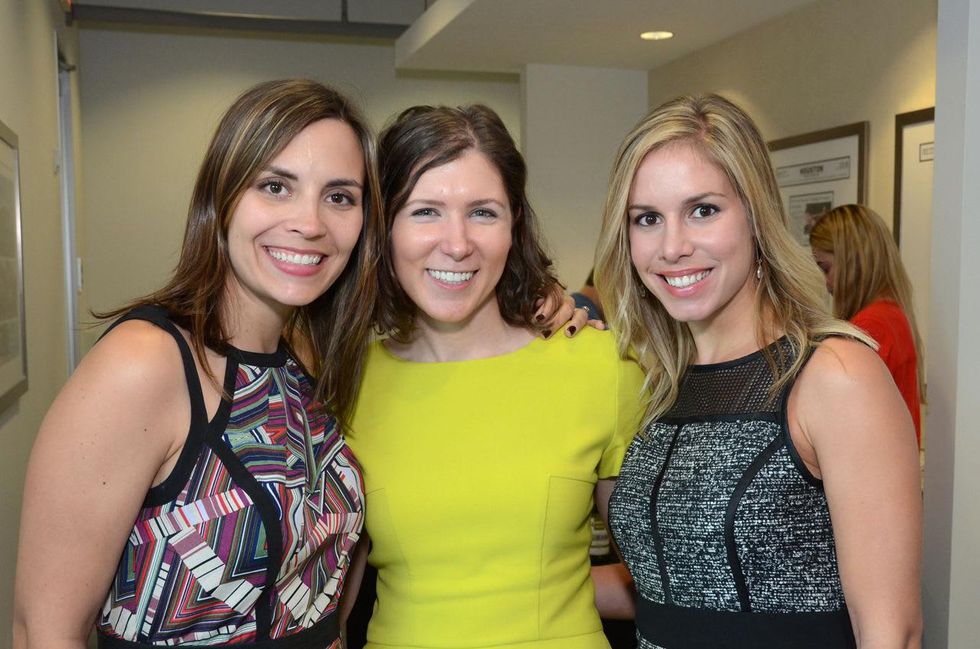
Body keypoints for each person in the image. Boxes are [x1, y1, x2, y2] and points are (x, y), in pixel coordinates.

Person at [13, 79, 383, 649]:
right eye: (276, 186)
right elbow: (47, 629)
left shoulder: (304, 359)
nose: (310, 223)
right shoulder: (146, 364)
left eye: (339, 196)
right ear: (223, 197)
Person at [594, 94, 922, 648]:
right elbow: (668, 589)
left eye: (703, 210)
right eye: (647, 219)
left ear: (755, 215)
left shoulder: (834, 374)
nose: (673, 247)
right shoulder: (661, 385)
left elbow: (894, 632)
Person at [345, 104, 645, 649]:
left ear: (515, 227)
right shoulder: (345, 385)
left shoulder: (599, 367)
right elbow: (326, 603)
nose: (457, 243)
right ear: (382, 227)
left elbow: (662, 580)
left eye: (483, 212)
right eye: (424, 211)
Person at [809, 204, 924, 446]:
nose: (827, 285)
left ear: (853, 262)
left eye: (826, 268)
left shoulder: (870, 326)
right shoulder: (892, 315)